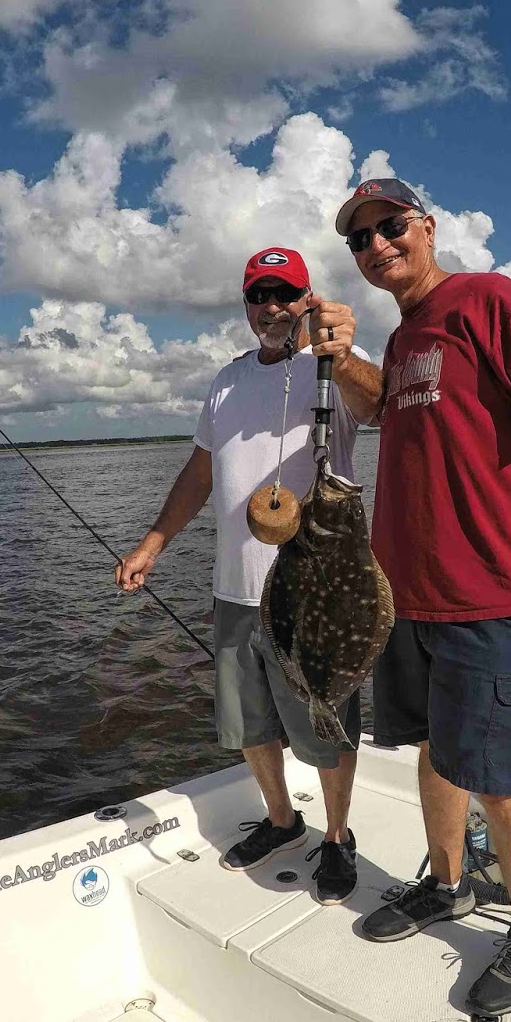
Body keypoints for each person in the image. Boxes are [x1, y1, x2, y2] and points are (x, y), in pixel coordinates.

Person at [317, 178, 511, 1016]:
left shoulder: (486, 300)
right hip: (405, 601)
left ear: (427, 227)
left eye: (390, 227)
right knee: (435, 752)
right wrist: (339, 358)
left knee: (503, 780)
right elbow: (386, 407)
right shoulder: (409, 330)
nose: (378, 246)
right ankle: (446, 884)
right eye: (361, 239)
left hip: (488, 600)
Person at [116, 246, 375, 905]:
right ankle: (284, 821)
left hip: (313, 594)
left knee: (327, 724)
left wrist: (339, 356)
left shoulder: (328, 369)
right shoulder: (226, 382)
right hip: (235, 591)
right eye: (259, 295)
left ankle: (338, 836)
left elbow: (381, 408)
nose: (272, 307)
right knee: (250, 724)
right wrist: (153, 543)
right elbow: (201, 472)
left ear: (307, 296)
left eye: (285, 292)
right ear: (246, 305)